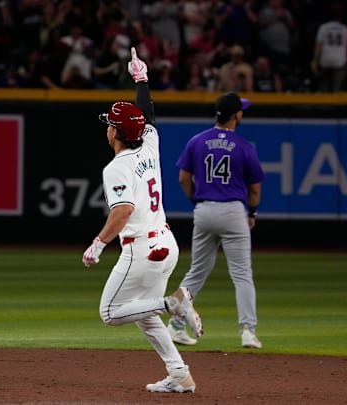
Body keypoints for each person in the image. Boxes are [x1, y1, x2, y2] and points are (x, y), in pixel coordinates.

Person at [82, 47, 203, 394]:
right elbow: (147, 115)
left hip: (143, 251)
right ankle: (179, 373)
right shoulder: (150, 144)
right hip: (166, 242)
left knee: (111, 312)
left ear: (116, 133)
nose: (107, 130)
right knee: (143, 314)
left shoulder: (116, 167)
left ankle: (173, 303)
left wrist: (98, 243)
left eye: (110, 126)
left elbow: (122, 212)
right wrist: (142, 79)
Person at [167, 92, 265, 349]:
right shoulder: (244, 146)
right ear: (237, 115)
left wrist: (197, 201)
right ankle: (248, 331)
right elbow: (254, 189)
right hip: (233, 211)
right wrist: (252, 213)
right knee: (242, 274)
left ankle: (176, 326)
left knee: (197, 271)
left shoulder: (197, 141)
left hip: (204, 210)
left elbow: (183, 178)